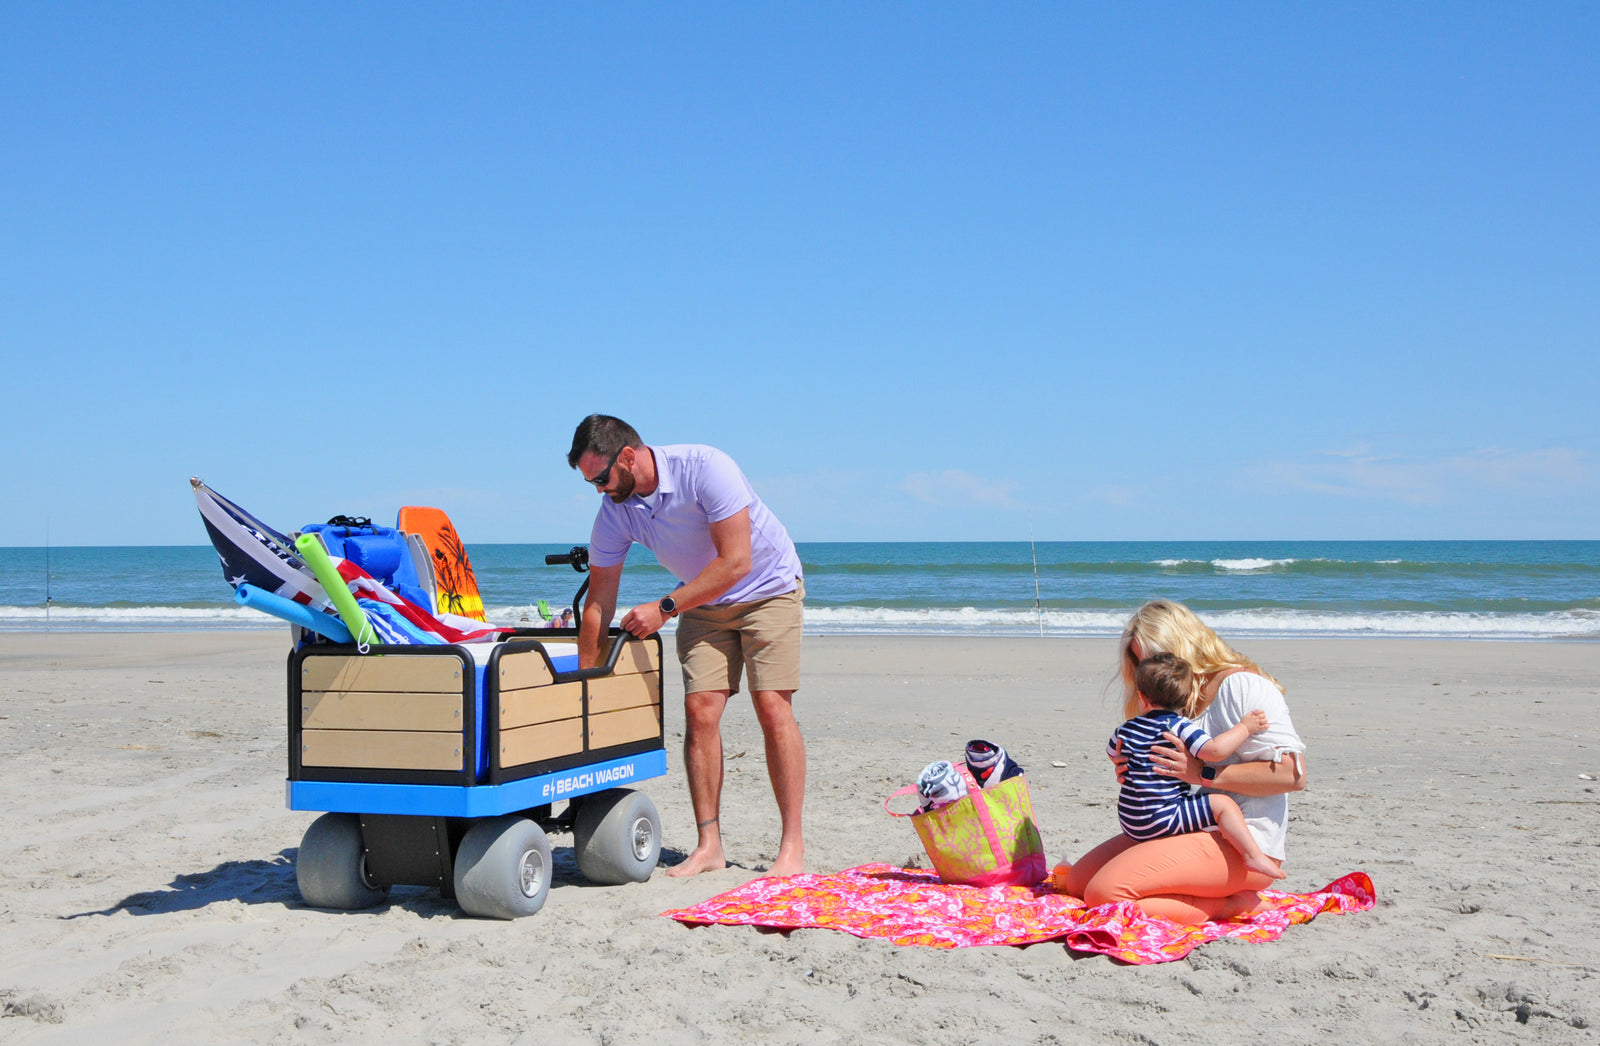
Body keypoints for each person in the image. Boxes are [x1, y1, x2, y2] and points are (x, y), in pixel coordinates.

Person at [566, 415, 806, 878]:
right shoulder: (616, 509)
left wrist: (665, 607)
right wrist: (585, 683)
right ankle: (709, 845)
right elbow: (598, 601)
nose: (599, 489)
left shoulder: (706, 468)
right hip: (701, 601)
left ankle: (792, 846)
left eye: (601, 477)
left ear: (629, 456)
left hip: (768, 589)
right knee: (700, 713)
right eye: (590, 481)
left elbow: (736, 561)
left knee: (773, 706)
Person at [1060, 599, 1306, 922]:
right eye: (1140, 664)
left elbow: (1292, 775)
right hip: (1185, 828)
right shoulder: (1174, 705)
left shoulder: (1241, 687)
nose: (1147, 674)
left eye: (1151, 659)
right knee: (1078, 882)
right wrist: (1133, 768)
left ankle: (1230, 906)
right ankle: (1193, 894)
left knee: (1104, 894)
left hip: (1245, 844)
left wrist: (1202, 773)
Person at [1110, 653, 1285, 881]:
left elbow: (1114, 753)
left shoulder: (1126, 729)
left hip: (1130, 820)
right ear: (1189, 697)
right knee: (1222, 805)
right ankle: (1252, 855)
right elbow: (1214, 750)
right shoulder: (1179, 726)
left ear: (1142, 698)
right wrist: (1245, 728)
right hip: (1165, 817)